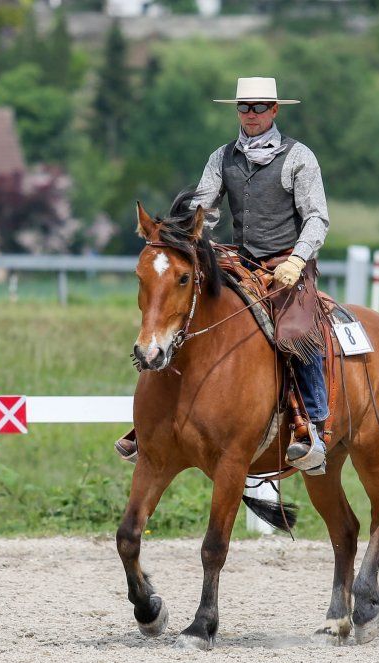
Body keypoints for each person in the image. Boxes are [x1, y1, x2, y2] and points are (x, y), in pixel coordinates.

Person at [116, 76, 331, 474]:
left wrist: (298, 259)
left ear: (274, 110)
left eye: (259, 107)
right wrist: (181, 235)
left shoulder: (300, 157)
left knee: (297, 333)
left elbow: (317, 217)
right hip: (241, 259)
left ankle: (312, 427)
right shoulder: (222, 157)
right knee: (189, 313)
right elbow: (204, 205)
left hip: (287, 265)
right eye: (244, 107)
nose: (251, 114)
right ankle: (152, 423)